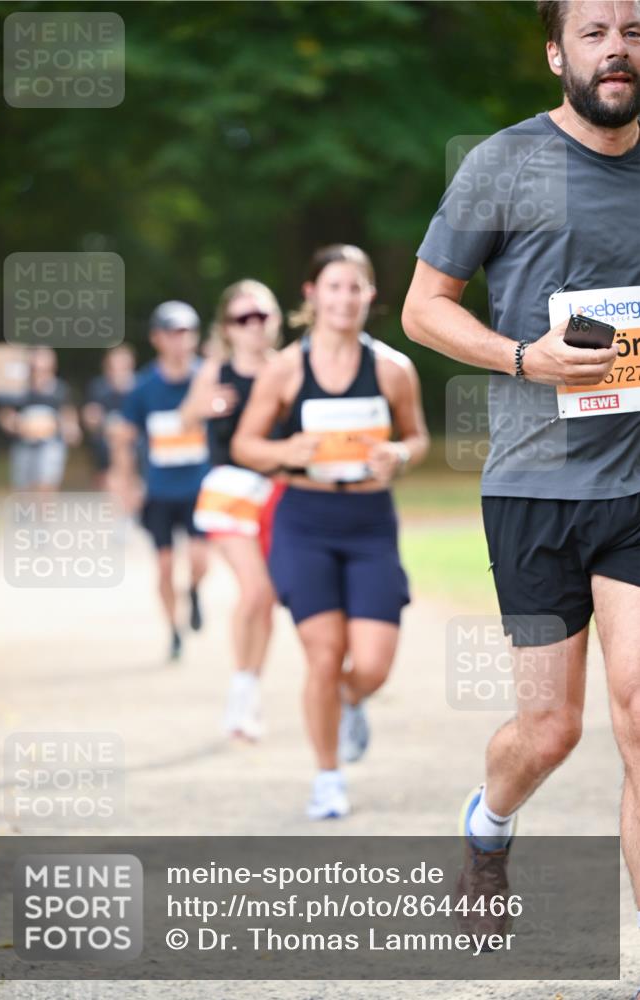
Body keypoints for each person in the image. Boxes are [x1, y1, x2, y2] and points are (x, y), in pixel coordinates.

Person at [402, 0, 640, 937]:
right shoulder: (504, 163)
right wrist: (521, 358)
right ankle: (489, 821)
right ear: (555, 54)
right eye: (593, 33)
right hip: (534, 487)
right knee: (550, 731)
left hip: (636, 487)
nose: (615, 49)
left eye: (632, 31)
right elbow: (424, 308)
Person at [233, 244, 430, 819]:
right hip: (305, 521)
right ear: (312, 295)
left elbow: (416, 437)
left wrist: (398, 452)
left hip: (369, 524)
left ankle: (349, 699)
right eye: (334, 286)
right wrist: (283, 450)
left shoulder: (393, 368)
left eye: (356, 287)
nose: (345, 298)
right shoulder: (284, 369)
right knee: (324, 654)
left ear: (370, 296)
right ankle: (327, 778)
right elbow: (245, 444)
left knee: (370, 664)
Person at [180, 280, 283, 740]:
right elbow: (184, 418)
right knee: (256, 590)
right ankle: (241, 692)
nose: (254, 325)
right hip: (228, 491)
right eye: (244, 318)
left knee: (267, 601)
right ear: (227, 327)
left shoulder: (287, 368)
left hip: (277, 492)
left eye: (261, 315)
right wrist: (203, 406)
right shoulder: (216, 370)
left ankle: (249, 691)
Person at [111, 301, 210, 662]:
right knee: (166, 566)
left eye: (186, 332)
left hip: (200, 488)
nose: (180, 340)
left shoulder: (208, 379)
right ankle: (173, 631)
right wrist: (126, 484)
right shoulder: (142, 388)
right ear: (157, 338)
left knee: (200, 561)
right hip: (160, 491)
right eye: (172, 332)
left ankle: (196, 592)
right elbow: (123, 439)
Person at [0, 346, 81, 492]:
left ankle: (44, 514)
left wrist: (71, 429)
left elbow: (69, 416)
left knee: (45, 487)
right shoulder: (19, 388)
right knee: (24, 491)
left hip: (51, 445)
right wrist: (16, 424)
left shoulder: (60, 390)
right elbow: (5, 414)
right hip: (23, 444)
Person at [82, 344, 137, 496]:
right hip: (105, 440)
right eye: (115, 365)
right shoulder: (99, 387)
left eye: (123, 365)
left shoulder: (138, 387)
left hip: (132, 441)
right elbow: (90, 416)